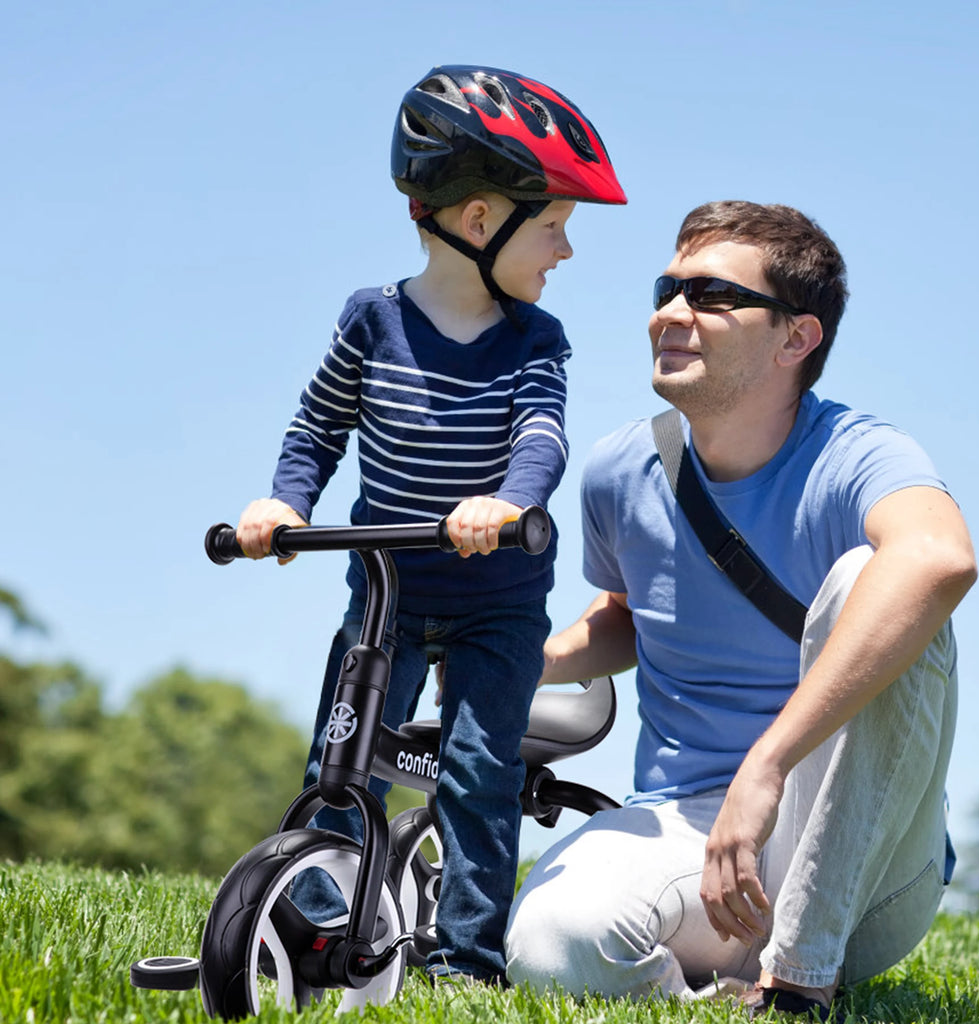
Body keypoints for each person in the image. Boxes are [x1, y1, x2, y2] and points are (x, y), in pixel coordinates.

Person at [504, 200, 976, 1019]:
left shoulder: (857, 454)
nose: (669, 314)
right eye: (668, 288)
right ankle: (720, 1000)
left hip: (865, 862)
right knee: (550, 943)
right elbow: (629, 612)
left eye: (712, 296)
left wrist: (767, 766)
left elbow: (940, 559)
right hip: (691, 838)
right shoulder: (622, 468)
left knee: (877, 576)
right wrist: (522, 658)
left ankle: (801, 979)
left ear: (797, 338)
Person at [234, 65, 626, 984]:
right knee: (342, 756)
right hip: (388, 589)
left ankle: (464, 958)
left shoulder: (538, 339)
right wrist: (285, 503)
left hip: (497, 600)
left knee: (477, 773)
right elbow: (318, 425)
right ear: (480, 222)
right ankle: (316, 919)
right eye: (556, 227)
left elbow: (541, 436)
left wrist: (510, 502)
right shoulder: (371, 321)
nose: (565, 252)